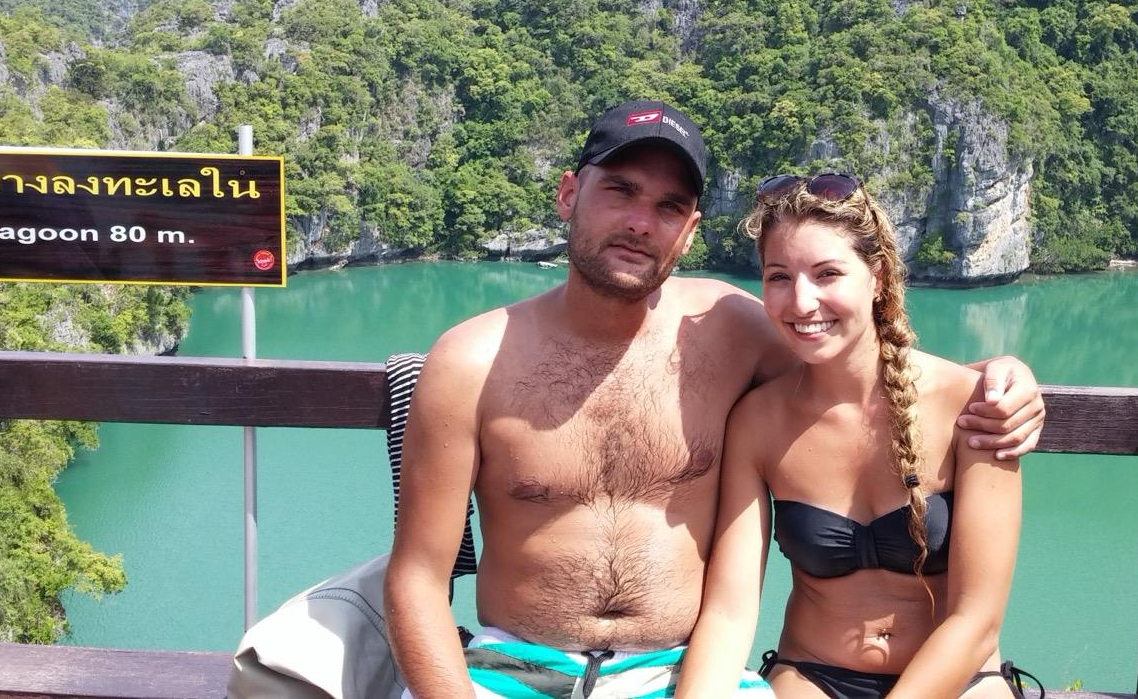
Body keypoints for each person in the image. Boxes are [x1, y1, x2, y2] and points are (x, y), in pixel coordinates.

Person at [384, 101, 1044, 699]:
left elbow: (852, 362)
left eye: (669, 206)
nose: (640, 222)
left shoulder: (730, 330)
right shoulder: (471, 362)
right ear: (568, 193)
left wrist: (997, 376)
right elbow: (416, 578)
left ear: (690, 230)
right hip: (511, 671)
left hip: (674, 670)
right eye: (620, 190)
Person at [676, 173, 1029, 699]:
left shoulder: (974, 408)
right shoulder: (758, 423)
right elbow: (729, 610)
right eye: (778, 277)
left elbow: (976, 620)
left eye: (827, 274)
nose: (801, 302)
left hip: (960, 681)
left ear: (877, 278)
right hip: (811, 675)